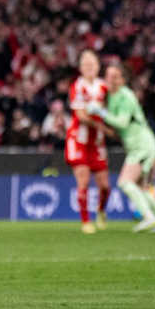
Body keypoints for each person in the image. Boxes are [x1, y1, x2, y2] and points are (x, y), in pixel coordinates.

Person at [88, 64, 155, 232]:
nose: (110, 80)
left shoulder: (126, 96)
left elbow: (122, 123)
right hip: (138, 145)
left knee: (125, 182)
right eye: (108, 76)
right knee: (142, 187)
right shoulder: (111, 96)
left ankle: (148, 217)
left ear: (122, 80)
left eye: (115, 76)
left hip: (142, 145)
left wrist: (101, 112)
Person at [68, 49, 113, 233]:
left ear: (98, 66)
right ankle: (85, 221)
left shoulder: (104, 87)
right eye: (85, 64)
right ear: (80, 68)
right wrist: (103, 126)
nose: (89, 67)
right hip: (79, 140)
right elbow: (80, 115)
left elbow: (112, 109)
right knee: (83, 181)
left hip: (97, 142)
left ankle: (101, 211)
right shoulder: (77, 87)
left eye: (92, 64)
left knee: (105, 186)